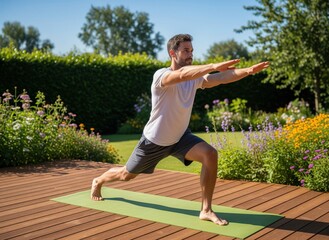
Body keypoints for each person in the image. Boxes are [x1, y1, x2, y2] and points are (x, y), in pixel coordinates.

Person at [91, 34, 269, 226]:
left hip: (180, 138)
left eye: (191, 51)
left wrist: (248, 71)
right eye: (185, 51)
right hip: (154, 141)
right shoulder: (161, 75)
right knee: (126, 174)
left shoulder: (195, 79)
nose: (190, 54)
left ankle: (206, 210)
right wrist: (213, 65)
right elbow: (182, 75)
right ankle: (98, 181)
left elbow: (221, 78)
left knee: (210, 154)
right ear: (172, 53)